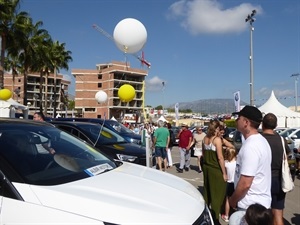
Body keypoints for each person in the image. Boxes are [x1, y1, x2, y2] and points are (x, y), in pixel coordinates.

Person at [229, 106, 272, 211]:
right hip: (257, 205)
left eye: (239, 118)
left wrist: (232, 200)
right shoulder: (261, 141)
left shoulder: (251, 146)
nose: (236, 120)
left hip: (250, 208)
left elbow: (245, 183)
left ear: (246, 122)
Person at [261, 113, 290, 225]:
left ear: (262, 124)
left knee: (262, 214)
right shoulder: (282, 140)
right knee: (278, 214)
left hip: (263, 180)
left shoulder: (259, 140)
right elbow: (286, 156)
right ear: (276, 125)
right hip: (279, 179)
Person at [202, 119, 227, 225]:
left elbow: (203, 154)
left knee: (207, 192)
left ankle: (205, 215)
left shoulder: (204, 138)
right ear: (216, 128)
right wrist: (224, 173)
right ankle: (215, 218)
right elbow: (220, 157)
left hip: (206, 168)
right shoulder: (216, 140)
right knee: (217, 194)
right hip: (215, 169)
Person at [221, 147, 237, 223]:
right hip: (236, 183)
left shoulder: (226, 163)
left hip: (229, 182)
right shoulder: (237, 163)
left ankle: (227, 215)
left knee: (227, 200)